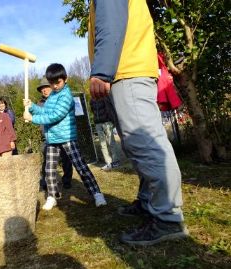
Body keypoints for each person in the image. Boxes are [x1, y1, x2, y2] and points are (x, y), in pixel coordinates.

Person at [88, 0, 188, 245]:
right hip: (126, 71)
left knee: (146, 145)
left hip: (128, 71)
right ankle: (149, 203)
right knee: (137, 145)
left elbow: (110, 25)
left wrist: (102, 70)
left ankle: (168, 219)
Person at [23, 63, 107, 210]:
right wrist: (31, 107)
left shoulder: (66, 95)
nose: (54, 86)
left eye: (58, 82)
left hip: (67, 137)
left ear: (65, 79)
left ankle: (97, 194)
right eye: (52, 83)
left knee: (81, 167)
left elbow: (55, 116)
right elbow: (45, 112)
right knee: (49, 170)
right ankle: (52, 196)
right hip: (52, 139)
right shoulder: (52, 96)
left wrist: (32, 119)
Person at [37, 77, 73, 190]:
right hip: (47, 137)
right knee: (47, 160)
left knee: (66, 158)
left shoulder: (60, 98)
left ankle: (67, 181)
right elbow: (39, 117)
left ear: (52, 86)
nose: (44, 90)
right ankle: (46, 183)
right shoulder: (39, 103)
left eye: (46, 87)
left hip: (62, 135)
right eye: (42, 88)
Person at [90, 98, 121, 171]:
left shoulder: (104, 98)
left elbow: (110, 109)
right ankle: (108, 162)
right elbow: (93, 111)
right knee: (102, 144)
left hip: (107, 122)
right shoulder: (92, 100)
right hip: (98, 123)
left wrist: (111, 120)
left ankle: (115, 161)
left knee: (111, 142)